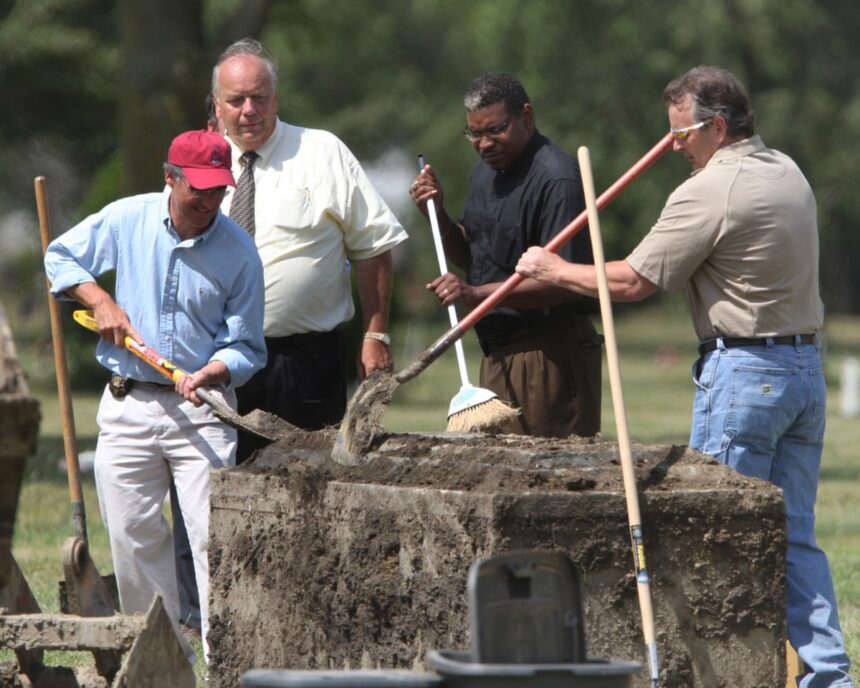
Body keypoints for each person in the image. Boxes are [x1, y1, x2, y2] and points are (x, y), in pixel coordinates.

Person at [515, 65, 854, 688]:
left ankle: (722, 675)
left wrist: (552, 268)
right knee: (795, 537)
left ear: (716, 127)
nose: (674, 147)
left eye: (682, 135)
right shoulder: (788, 170)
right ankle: (828, 678)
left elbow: (633, 281)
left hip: (746, 376)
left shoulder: (711, 189)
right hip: (805, 371)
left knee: (717, 533)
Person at [44, 130, 266, 660]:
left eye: (220, 190)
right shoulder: (126, 218)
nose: (211, 202)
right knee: (131, 535)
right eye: (200, 190)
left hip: (204, 410)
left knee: (214, 537)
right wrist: (99, 299)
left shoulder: (240, 252)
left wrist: (212, 371)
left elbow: (247, 347)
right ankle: (163, 658)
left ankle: (226, 659)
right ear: (170, 178)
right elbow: (59, 258)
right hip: (128, 402)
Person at [211, 38, 408, 461]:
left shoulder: (322, 152)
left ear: (276, 99)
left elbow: (373, 245)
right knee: (221, 484)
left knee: (312, 483)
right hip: (217, 359)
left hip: (304, 363)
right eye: (236, 99)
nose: (249, 109)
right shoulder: (200, 164)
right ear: (217, 105)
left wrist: (375, 333)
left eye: (259, 98)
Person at [409, 71, 602, 438]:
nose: (484, 144)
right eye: (474, 134)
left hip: (549, 357)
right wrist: (436, 215)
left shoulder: (557, 179)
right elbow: (473, 259)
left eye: (494, 130)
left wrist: (476, 296)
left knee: (548, 481)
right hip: (497, 355)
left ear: (526, 117)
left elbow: (567, 283)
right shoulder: (484, 175)